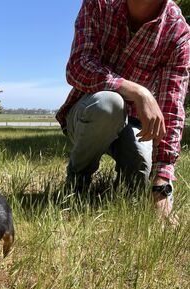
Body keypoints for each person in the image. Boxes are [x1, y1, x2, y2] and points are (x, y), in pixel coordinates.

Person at [56, 0, 190, 221]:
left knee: (138, 179)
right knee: (110, 104)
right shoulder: (99, 4)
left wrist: (162, 182)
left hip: (135, 125)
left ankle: (120, 192)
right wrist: (139, 92)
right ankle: (78, 181)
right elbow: (78, 66)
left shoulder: (176, 30)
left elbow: (171, 107)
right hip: (91, 112)